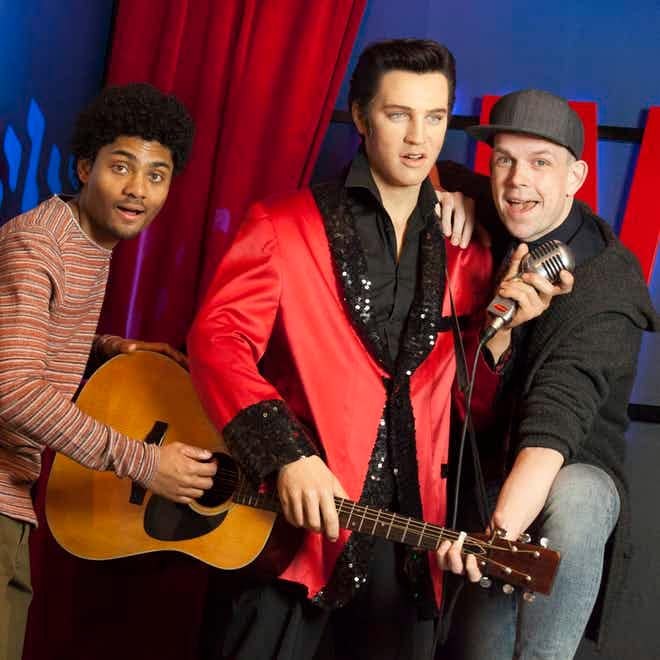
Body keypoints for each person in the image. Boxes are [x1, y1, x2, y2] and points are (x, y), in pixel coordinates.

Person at [188, 41, 568, 660]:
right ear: (362, 117)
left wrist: (499, 336)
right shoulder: (283, 226)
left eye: (435, 117)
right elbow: (218, 341)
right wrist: (286, 456)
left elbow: (462, 405)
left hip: (408, 544)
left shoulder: (466, 251)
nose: (419, 137)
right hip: (290, 533)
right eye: (398, 115)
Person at [0, 83, 217, 660]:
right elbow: (13, 388)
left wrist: (109, 350)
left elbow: (24, 335)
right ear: (84, 167)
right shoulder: (38, 245)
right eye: (121, 167)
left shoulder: (82, 242)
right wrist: (145, 463)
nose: (137, 189)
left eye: (156, 175)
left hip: (13, 496)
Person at [439, 89, 659, 659]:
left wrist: (494, 538)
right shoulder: (499, 208)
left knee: (578, 491)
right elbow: (406, 163)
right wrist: (445, 193)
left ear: (575, 178)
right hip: (478, 477)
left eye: (541, 163)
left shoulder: (609, 287)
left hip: (559, 479)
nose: (518, 181)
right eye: (504, 160)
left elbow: (554, 425)